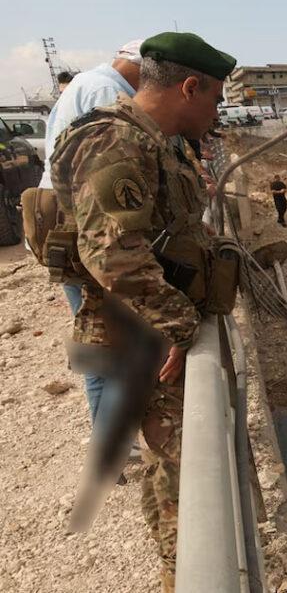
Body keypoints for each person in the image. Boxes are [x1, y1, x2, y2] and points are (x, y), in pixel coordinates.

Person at [49, 31, 237, 593]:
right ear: (188, 86)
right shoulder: (115, 141)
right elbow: (112, 254)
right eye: (215, 98)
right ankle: (188, 575)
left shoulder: (159, 142)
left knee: (174, 469)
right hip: (139, 337)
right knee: (186, 474)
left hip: (148, 333)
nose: (217, 111)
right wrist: (180, 324)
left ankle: (178, 571)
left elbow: (164, 229)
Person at [38, 39, 143, 442]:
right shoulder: (106, 93)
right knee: (111, 345)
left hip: (69, 233)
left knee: (97, 343)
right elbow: (107, 184)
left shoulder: (85, 84)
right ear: (135, 67)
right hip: (86, 233)